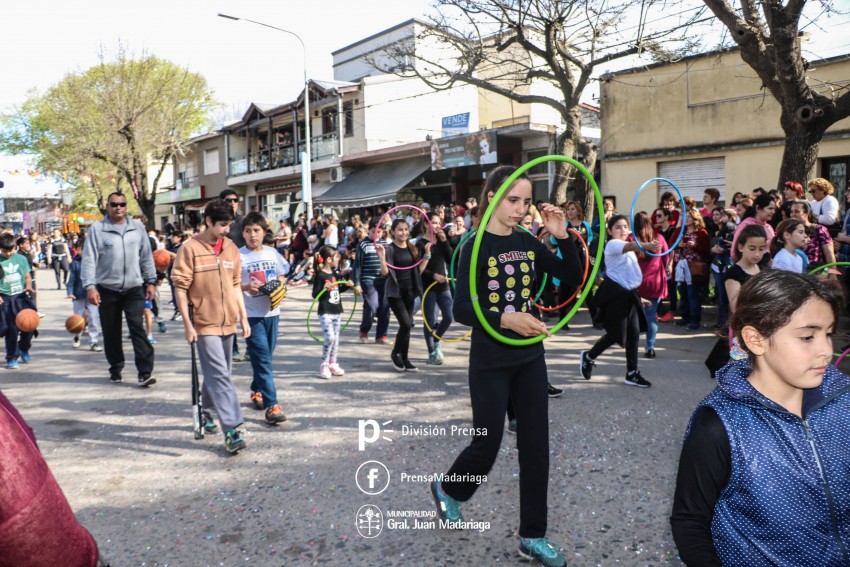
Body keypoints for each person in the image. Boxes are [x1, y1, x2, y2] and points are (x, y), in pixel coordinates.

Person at [431, 165, 581, 567]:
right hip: (491, 360)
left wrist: (563, 235)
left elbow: (571, 275)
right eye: (513, 200)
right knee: (488, 441)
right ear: (493, 196)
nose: (520, 208)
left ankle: (532, 536)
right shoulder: (473, 244)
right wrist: (506, 318)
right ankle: (449, 490)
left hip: (530, 356)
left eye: (527, 201)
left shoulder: (529, 241)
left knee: (536, 447)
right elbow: (462, 306)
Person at [671, 270, 850, 566]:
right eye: (807, 336)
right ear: (755, 339)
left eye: (829, 333)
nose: (826, 351)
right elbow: (690, 521)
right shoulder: (719, 425)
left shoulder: (842, 401)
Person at [172, 199, 251, 453]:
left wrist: (244, 317)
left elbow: (236, 284)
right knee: (220, 375)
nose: (227, 230)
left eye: (229, 225)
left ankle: (206, 412)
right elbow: (180, 289)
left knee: (218, 373)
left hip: (228, 322)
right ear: (208, 221)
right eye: (222, 225)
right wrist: (187, 324)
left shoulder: (231, 248)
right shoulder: (190, 249)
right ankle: (231, 429)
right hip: (203, 323)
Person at [82, 192, 157, 386]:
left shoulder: (137, 227)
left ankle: (145, 372)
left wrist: (151, 281)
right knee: (111, 331)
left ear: (126, 206)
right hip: (107, 288)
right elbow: (89, 260)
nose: (118, 208)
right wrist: (90, 287)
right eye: (114, 204)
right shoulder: (98, 228)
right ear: (107, 206)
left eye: (122, 204)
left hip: (134, 288)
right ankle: (116, 367)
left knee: (137, 328)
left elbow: (146, 256)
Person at [581, 215, 660, 387]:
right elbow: (631, 245)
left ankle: (632, 373)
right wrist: (646, 245)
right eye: (618, 227)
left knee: (633, 333)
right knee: (617, 334)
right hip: (614, 294)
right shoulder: (613, 244)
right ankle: (588, 356)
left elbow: (628, 277)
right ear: (609, 231)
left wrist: (639, 297)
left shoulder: (627, 249)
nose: (622, 230)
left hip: (628, 293)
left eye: (625, 226)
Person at [239, 213, 288, 425]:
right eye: (248, 231)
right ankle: (272, 405)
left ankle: (256, 389)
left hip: (272, 314)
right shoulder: (237, 256)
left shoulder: (272, 252)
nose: (252, 235)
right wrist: (246, 287)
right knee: (263, 359)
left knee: (266, 356)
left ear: (264, 232)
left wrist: (280, 284)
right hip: (251, 315)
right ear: (242, 233)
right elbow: (230, 284)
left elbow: (282, 274)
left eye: (256, 230)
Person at [376, 218, 429, 371]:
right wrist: (381, 257)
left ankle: (405, 359)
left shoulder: (412, 247)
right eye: (400, 229)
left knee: (406, 327)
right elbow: (385, 274)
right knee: (406, 324)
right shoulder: (389, 249)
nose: (403, 232)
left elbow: (418, 271)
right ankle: (395, 354)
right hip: (395, 293)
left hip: (410, 291)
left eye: (406, 229)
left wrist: (427, 255)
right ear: (392, 232)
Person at [418, 212, 454, 365]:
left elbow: (451, 259)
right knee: (430, 320)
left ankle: (436, 339)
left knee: (449, 316)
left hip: (443, 285)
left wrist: (445, 241)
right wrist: (433, 276)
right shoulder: (419, 244)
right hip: (428, 286)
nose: (437, 226)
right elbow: (418, 269)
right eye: (434, 222)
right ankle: (431, 351)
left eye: (439, 223)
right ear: (426, 224)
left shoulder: (440, 240)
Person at [312, 246, 352, 379]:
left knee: (336, 339)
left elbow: (337, 291)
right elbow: (315, 295)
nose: (338, 259)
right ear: (329, 259)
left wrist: (346, 285)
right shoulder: (320, 275)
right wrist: (323, 288)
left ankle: (333, 363)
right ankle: (324, 363)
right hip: (325, 311)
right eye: (336, 257)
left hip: (336, 311)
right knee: (330, 338)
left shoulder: (334, 275)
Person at [634, 211, 669, 359]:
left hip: (636, 283)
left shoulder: (633, 240)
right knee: (651, 316)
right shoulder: (659, 238)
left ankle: (632, 346)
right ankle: (650, 346)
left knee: (633, 317)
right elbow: (667, 256)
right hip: (654, 282)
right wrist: (666, 266)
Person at [0, 234, 35, 370]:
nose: (8, 254)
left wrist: (28, 286)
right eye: (4, 251)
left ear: (15, 247)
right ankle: (12, 357)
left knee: (29, 325)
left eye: (10, 250)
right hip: (6, 298)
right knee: (12, 329)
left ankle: (24, 347)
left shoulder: (21, 259)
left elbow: (27, 276)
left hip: (21, 297)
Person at [353, 220, 391, 344]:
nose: (376, 234)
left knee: (385, 308)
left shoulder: (385, 244)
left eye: (379, 232)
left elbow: (390, 264)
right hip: (368, 280)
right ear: (369, 229)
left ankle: (381, 335)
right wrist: (357, 283)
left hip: (383, 280)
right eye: (374, 231)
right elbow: (357, 265)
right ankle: (364, 331)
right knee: (372, 305)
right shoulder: (363, 245)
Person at [674, 209, 710, 330]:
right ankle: (685, 317)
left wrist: (695, 246)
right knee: (683, 293)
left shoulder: (701, 233)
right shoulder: (680, 231)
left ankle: (695, 319)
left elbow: (706, 251)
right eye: (685, 216)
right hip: (681, 266)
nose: (686, 219)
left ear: (695, 219)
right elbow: (670, 245)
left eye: (689, 217)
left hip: (694, 267)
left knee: (693, 293)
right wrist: (679, 245)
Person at [66, 238, 102, 351]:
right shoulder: (75, 263)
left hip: (93, 295)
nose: (85, 252)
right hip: (78, 295)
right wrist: (70, 292)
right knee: (78, 319)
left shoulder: (96, 262)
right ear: (77, 249)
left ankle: (94, 341)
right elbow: (71, 280)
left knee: (94, 318)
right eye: (82, 249)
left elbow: (100, 278)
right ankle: (76, 336)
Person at [789, 199, 837, 274]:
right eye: (791, 212)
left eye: (797, 211)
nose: (792, 214)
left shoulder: (819, 229)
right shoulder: (789, 231)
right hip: (796, 276)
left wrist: (832, 274)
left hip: (817, 275)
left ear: (806, 213)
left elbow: (829, 254)